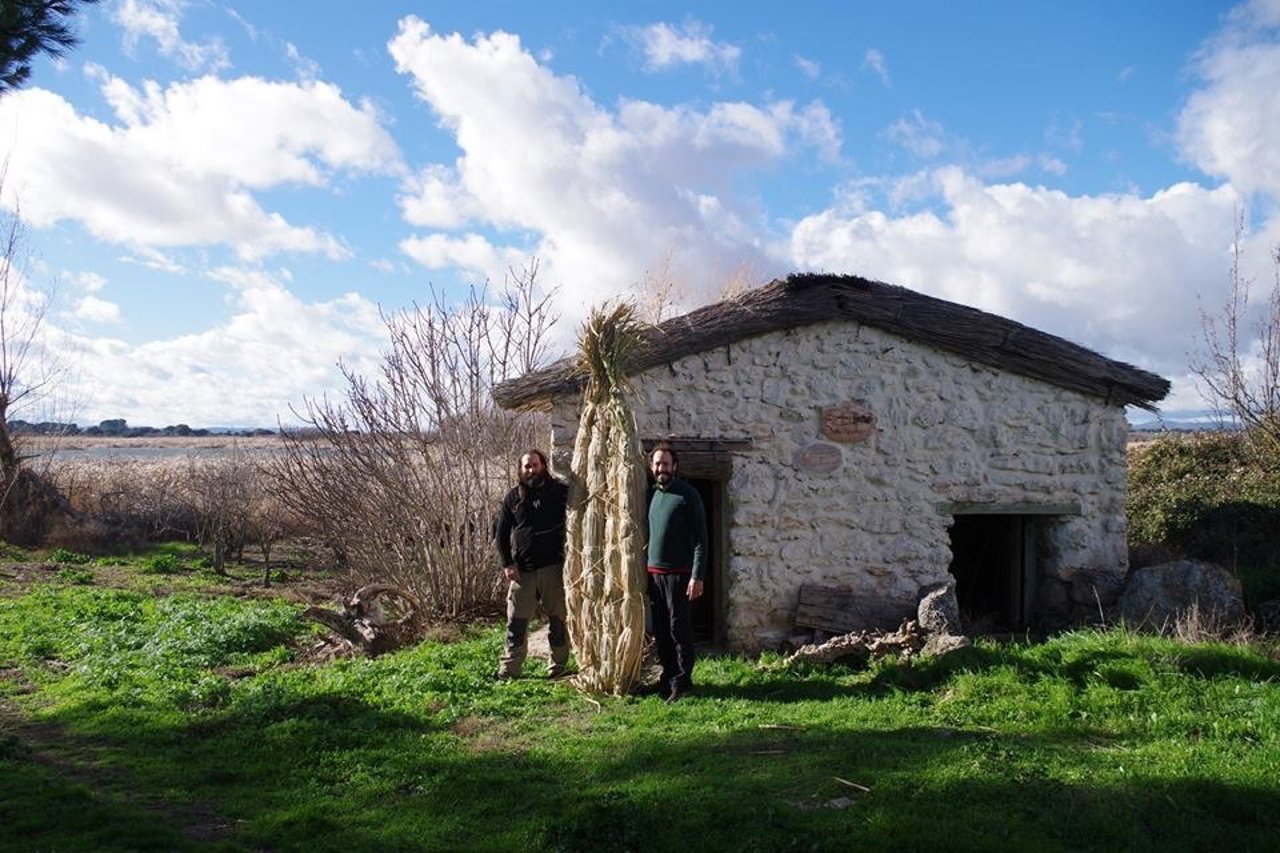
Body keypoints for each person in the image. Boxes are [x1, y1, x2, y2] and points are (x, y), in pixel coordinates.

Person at [493, 449, 571, 679]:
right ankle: (510, 669)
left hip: (553, 568)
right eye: (527, 466)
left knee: (557, 620)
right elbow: (501, 533)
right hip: (522, 571)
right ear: (520, 469)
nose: (531, 470)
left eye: (535, 465)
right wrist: (507, 563)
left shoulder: (559, 492)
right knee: (516, 622)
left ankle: (557, 668)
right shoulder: (513, 498)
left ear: (543, 465)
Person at [646, 443, 708, 702]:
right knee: (661, 629)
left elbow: (701, 539)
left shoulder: (687, 495)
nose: (662, 468)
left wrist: (697, 576)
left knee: (678, 628)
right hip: (654, 573)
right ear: (652, 467)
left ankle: (683, 682)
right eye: (658, 464)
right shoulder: (651, 494)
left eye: (666, 464)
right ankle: (668, 677)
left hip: (679, 575)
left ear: (675, 466)